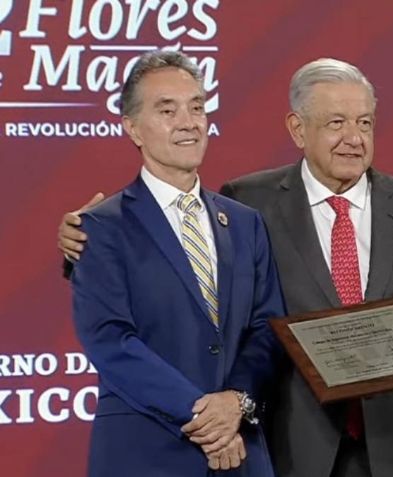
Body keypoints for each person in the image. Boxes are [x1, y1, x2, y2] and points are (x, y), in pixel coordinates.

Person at [60, 57, 393, 477]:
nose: (354, 137)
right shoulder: (250, 202)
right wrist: (78, 244)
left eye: (364, 123)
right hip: (286, 445)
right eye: (336, 123)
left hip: (389, 447)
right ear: (298, 129)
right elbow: (135, 307)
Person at [69, 50, 284, 476]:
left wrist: (235, 402)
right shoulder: (101, 227)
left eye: (197, 107)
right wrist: (206, 418)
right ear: (132, 128)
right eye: (167, 110)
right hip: (146, 452)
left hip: (241, 453)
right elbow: (111, 341)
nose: (188, 122)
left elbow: (268, 327)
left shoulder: (244, 222)